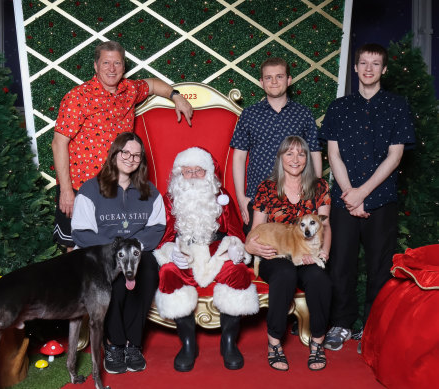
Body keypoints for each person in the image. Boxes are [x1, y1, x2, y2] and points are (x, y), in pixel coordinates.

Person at [319, 43, 415, 352]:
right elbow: (333, 154)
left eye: (375, 64)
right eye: (363, 63)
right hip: (346, 197)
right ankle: (341, 324)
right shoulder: (338, 107)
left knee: (379, 265)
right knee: (341, 263)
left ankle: (372, 328)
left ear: (384, 70)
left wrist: (363, 193)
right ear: (356, 68)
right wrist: (351, 196)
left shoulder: (397, 105)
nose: (369, 68)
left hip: (382, 198)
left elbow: (395, 156)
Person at [52, 40, 192, 250]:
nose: (111, 69)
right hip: (81, 187)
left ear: (123, 67)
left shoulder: (130, 90)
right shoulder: (78, 97)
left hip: (115, 188)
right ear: (96, 66)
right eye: (106, 63)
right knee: (77, 250)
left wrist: (176, 96)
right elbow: (58, 144)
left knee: (113, 250)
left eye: (117, 63)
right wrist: (66, 191)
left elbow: (152, 84)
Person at [153, 147, 259, 372]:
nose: (192, 176)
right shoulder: (169, 200)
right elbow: (165, 237)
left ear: (208, 173)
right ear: (179, 175)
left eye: (198, 171)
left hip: (216, 254)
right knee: (168, 273)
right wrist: (171, 252)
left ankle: (228, 342)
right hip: (186, 254)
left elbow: (235, 233)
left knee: (238, 272)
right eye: (187, 171)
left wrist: (235, 248)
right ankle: (188, 344)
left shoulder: (222, 198)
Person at [71, 132, 166, 374]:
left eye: (136, 155)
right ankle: (114, 344)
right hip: (101, 254)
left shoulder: (150, 192)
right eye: (125, 152)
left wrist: (132, 250)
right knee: (116, 282)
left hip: (137, 252)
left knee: (146, 272)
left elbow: (157, 228)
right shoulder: (91, 189)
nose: (131, 158)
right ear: (114, 154)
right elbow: (81, 231)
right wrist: (115, 251)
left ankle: (133, 345)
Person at [245, 135, 332, 371]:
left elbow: (326, 225)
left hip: (308, 252)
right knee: (284, 274)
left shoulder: (319, 187)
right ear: (280, 158)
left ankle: (317, 343)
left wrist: (322, 255)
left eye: (301, 153)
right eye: (289, 153)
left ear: (307, 158)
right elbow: (255, 231)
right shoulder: (267, 187)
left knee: (319, 278)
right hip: (275, 254)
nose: (296, 159)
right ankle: (274, 342)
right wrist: (250, 247)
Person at [230, 57, 322, 235]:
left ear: (289, 80)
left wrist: (315, 194)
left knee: (297, 253)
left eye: (279, 77)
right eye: (268, 77)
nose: (273, 82)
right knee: (260, 253)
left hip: (297, 199)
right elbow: (239, 157)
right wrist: (241, 197)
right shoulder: (249, 114)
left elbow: (314, 153)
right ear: (261, 82)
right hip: (258, 199)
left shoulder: (303, 114)